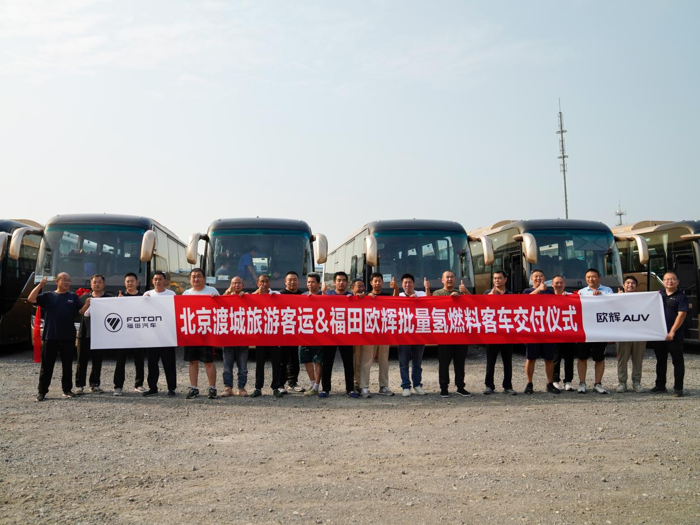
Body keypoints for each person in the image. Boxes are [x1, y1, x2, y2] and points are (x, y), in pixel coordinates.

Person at [30, 273, 89, 401]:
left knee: (67, 365)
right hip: (50, 336)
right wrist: (40, 285)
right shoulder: (48, 296)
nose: (67, 282)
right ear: (57, 281)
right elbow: (31, 299)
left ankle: (67, 389)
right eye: (64, 280)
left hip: (68, 336)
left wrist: (87, 304)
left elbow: (80, 312)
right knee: (47, 366)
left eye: (69, 280)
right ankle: (42, 391)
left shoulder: (73, 296)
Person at [356, 272, 397, 398]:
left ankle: (383, 386)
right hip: (370, 333)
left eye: (380, 281)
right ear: (371, 283)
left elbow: (396, 302)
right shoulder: (367, 295)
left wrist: (395, 288)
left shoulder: (386, 295)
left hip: (384, 332)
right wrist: (366, 296)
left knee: (384, 360)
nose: (378, 283)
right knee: (366, 360)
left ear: (382, 282)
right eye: (375, 281)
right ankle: (364, 387)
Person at [433, 270, 471, 398]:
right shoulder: (438, 293)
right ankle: (444, 388)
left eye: (452, 277)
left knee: (460, 363)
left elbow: (473, 304)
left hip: (461, 334)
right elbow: (434, 306)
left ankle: (460, 387)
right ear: (442, 280)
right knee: (444, 363)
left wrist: (465, 292)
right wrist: (451, 298)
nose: (450, 279)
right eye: (447, 277)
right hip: (444, 335)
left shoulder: (461, 291)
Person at [182, 268, 220, 400]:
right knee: (193, 362)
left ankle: (212, 388)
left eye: (198, 276)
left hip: (207, 332)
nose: (196, 279)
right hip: (192, 332)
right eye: (193, 277)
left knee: (208, 362)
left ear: (204, 278)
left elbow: (221, 309)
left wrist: (216, 300)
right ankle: (194, 388)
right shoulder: (186, 293)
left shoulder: (212, 291)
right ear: (190, 279)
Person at [320, 271, 358, 399]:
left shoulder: (351, 296)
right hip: (329, 334)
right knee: (327, 363)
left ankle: (350, 389)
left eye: (343, 280)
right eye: (339, 280)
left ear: (347, 283)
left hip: (346, 335)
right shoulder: (327, 295)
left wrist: (359, 297)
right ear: (334, 282)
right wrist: (323, 293)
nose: (341, 282)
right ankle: (325, 389)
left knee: (348, 363)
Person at [522, 270, 560, 394]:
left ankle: (550, 383)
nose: (539, 278)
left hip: (548, 329)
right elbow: (525, 301)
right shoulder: (527, 291)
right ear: (532, 279)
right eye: (536, 277)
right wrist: (538, 290)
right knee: (531, 358)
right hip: (532, 329)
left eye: (541, 276)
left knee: (549, 358)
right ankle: (529, 383)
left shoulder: (550, 292)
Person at [652, 271, 689, 397]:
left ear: (677, 281)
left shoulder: (681, 297)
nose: (670, 281)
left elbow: (682, 315)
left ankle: (678, 388)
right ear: (663, 281)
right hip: (659, 335)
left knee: (677, 361)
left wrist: (672, 331)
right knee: (660, 361)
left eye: (673, 279)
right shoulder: (657, 295)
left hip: (675, 335)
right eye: (667, 279)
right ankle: (660, 385)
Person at [577, 268, 613, 394]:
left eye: (593, 276)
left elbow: (613, 306)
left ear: (599, 277)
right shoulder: (581, 292)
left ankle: (598, 383)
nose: (591, 279)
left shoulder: (608, 290)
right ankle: (582, 383)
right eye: (588, 277)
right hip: (584, 330)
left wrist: (601, 296)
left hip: (600, 330)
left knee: (599, 358)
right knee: (582, 357)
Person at [75, 274, 112, 394]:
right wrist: (87, 304)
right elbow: (80, 312)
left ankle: (95, 384)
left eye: (99, 282)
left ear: (104, 284)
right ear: (91, 284)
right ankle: (79, 385)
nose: (97, 284)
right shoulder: (84, 297)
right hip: (84, 333)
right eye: (94, 282)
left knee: (97, 360)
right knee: (82, 360)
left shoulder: (109, 298)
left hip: (100, 334)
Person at [142, 271, 177, 396]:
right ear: (152, 281)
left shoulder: (171, 294)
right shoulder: (147, 294)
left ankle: (171, 388)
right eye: (155, 279)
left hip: (167, 336)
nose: (158, 281)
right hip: (152, 336)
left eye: (160, 279)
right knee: (152, 363)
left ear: (165, 281)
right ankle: (153, 387)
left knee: (169, 363)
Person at [251, 274, 285, 398]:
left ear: (269, 283)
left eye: (266, 282)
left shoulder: (276, 294)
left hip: (274, 334)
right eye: (261, 282)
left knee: (276, 363)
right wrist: (258, 292)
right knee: (260, 363)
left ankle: (275, 387)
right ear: (257, 283)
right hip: (260, 335)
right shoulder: (254, 296)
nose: (264, 284)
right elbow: (246, 300)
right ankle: (258, 387)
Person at [483, 271, 516, 395]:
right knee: (490, 361)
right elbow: (481, 307)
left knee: (507, 361)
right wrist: (491, 295)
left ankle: (508, 386)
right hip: (492, 332)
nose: (497, 280)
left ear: (505, 279)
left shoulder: (511, 295)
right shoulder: (487, 293)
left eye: (499, 278)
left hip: (507, 333)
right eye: (495, 278)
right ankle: (489, 385)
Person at [113, 273, 146, 396]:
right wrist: (118, 301)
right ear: (124, 283)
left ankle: (139, 384)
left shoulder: (143, 296)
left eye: (132, 281)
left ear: (137, 282)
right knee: (120, 361)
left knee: (139, 360)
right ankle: (118, 386)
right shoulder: (120, 296)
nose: (130, 283)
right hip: (123, 334)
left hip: (138, 333)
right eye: (127, 281)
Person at [395, 273, 428, 397]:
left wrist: (427, 289)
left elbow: (431, 303)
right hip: (404, 335)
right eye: (405, 283)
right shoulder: (399, 296)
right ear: (402, 284)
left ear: (413, 284)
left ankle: (417, 385)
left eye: (409, 282)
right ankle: (405, 386)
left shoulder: (421, 294)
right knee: (403, 362)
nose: (407, 285)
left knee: (417, 362)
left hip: (419, 334)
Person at [616, 275, 646, 393]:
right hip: (623, 334)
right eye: (628, 283)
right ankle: (622, 383)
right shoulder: (617, 298)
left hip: (639, 333)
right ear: (623, 285)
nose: (630, 285)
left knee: (638, 359)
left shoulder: (643, 299)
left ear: (636, 286)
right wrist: (618, 298)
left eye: (633, 283)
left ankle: (636, 382)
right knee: (622, 360)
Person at [221, 276, 249, 397]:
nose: (236, 285)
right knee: (227, 367)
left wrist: (246, 296)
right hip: (228, 337)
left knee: (243, 367)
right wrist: (227, 292)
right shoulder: (226, 296)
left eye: (239, 283)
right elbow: (218, 304)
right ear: (230, 284)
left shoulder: (247, 296)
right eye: (234, 283)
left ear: (243, 284)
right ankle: (228, 388)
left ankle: (241, 388)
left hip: (242, 338)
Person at [278, 271, 305, 393]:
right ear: (285, 282)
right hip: (284, 331)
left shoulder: (303, 295)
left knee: (294, 359)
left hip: (297, 332)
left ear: (298, 282)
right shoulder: (279, 295)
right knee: (283, 359)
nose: (292, 282)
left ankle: (293, 382)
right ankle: (280, 384)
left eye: (295, 279)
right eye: (290, 280)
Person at [550, 275, 576, 391]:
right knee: (555, 358)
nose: (559, 285)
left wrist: (570, 297)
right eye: (556, 283)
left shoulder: (571, 296)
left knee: (569, 358)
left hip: (569, 331)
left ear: (564, 284)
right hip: (554, 332)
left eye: (561, 283)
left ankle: (568, 381)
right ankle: (555, 380)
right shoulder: (547, 297)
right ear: (552, 284)